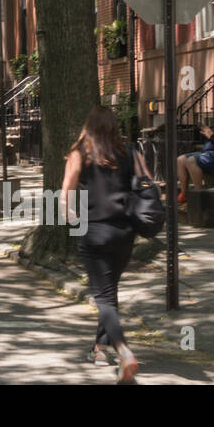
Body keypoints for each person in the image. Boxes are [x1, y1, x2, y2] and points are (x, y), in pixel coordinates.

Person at [61, 105, 145, 383]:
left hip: (94, 232)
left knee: (104, 297)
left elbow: (66, 195)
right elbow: (146, 184)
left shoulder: (79, 154)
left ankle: (124, 352)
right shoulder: (129, 153)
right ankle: (99, 348)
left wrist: (72, 219)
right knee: (110, 292)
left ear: (90, 126)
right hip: (125, 232)